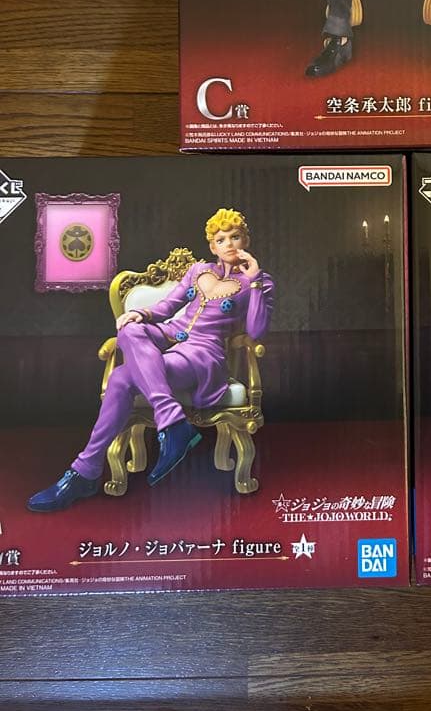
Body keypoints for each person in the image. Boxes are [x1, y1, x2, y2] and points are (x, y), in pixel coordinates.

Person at [27, 208, 274, 512]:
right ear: (212, 246)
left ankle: (84, 472)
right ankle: (172, 421)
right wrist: (140, 313)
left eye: (235, 237)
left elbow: (256, 330)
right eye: (221, 239)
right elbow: (168, 306)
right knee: (130, 329)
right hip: (169, 336)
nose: (229, 244)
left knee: (120, 378)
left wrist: (255, 281)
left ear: (245, 240)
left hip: (203, 354)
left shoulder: (257, 281)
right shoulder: (198, 271)